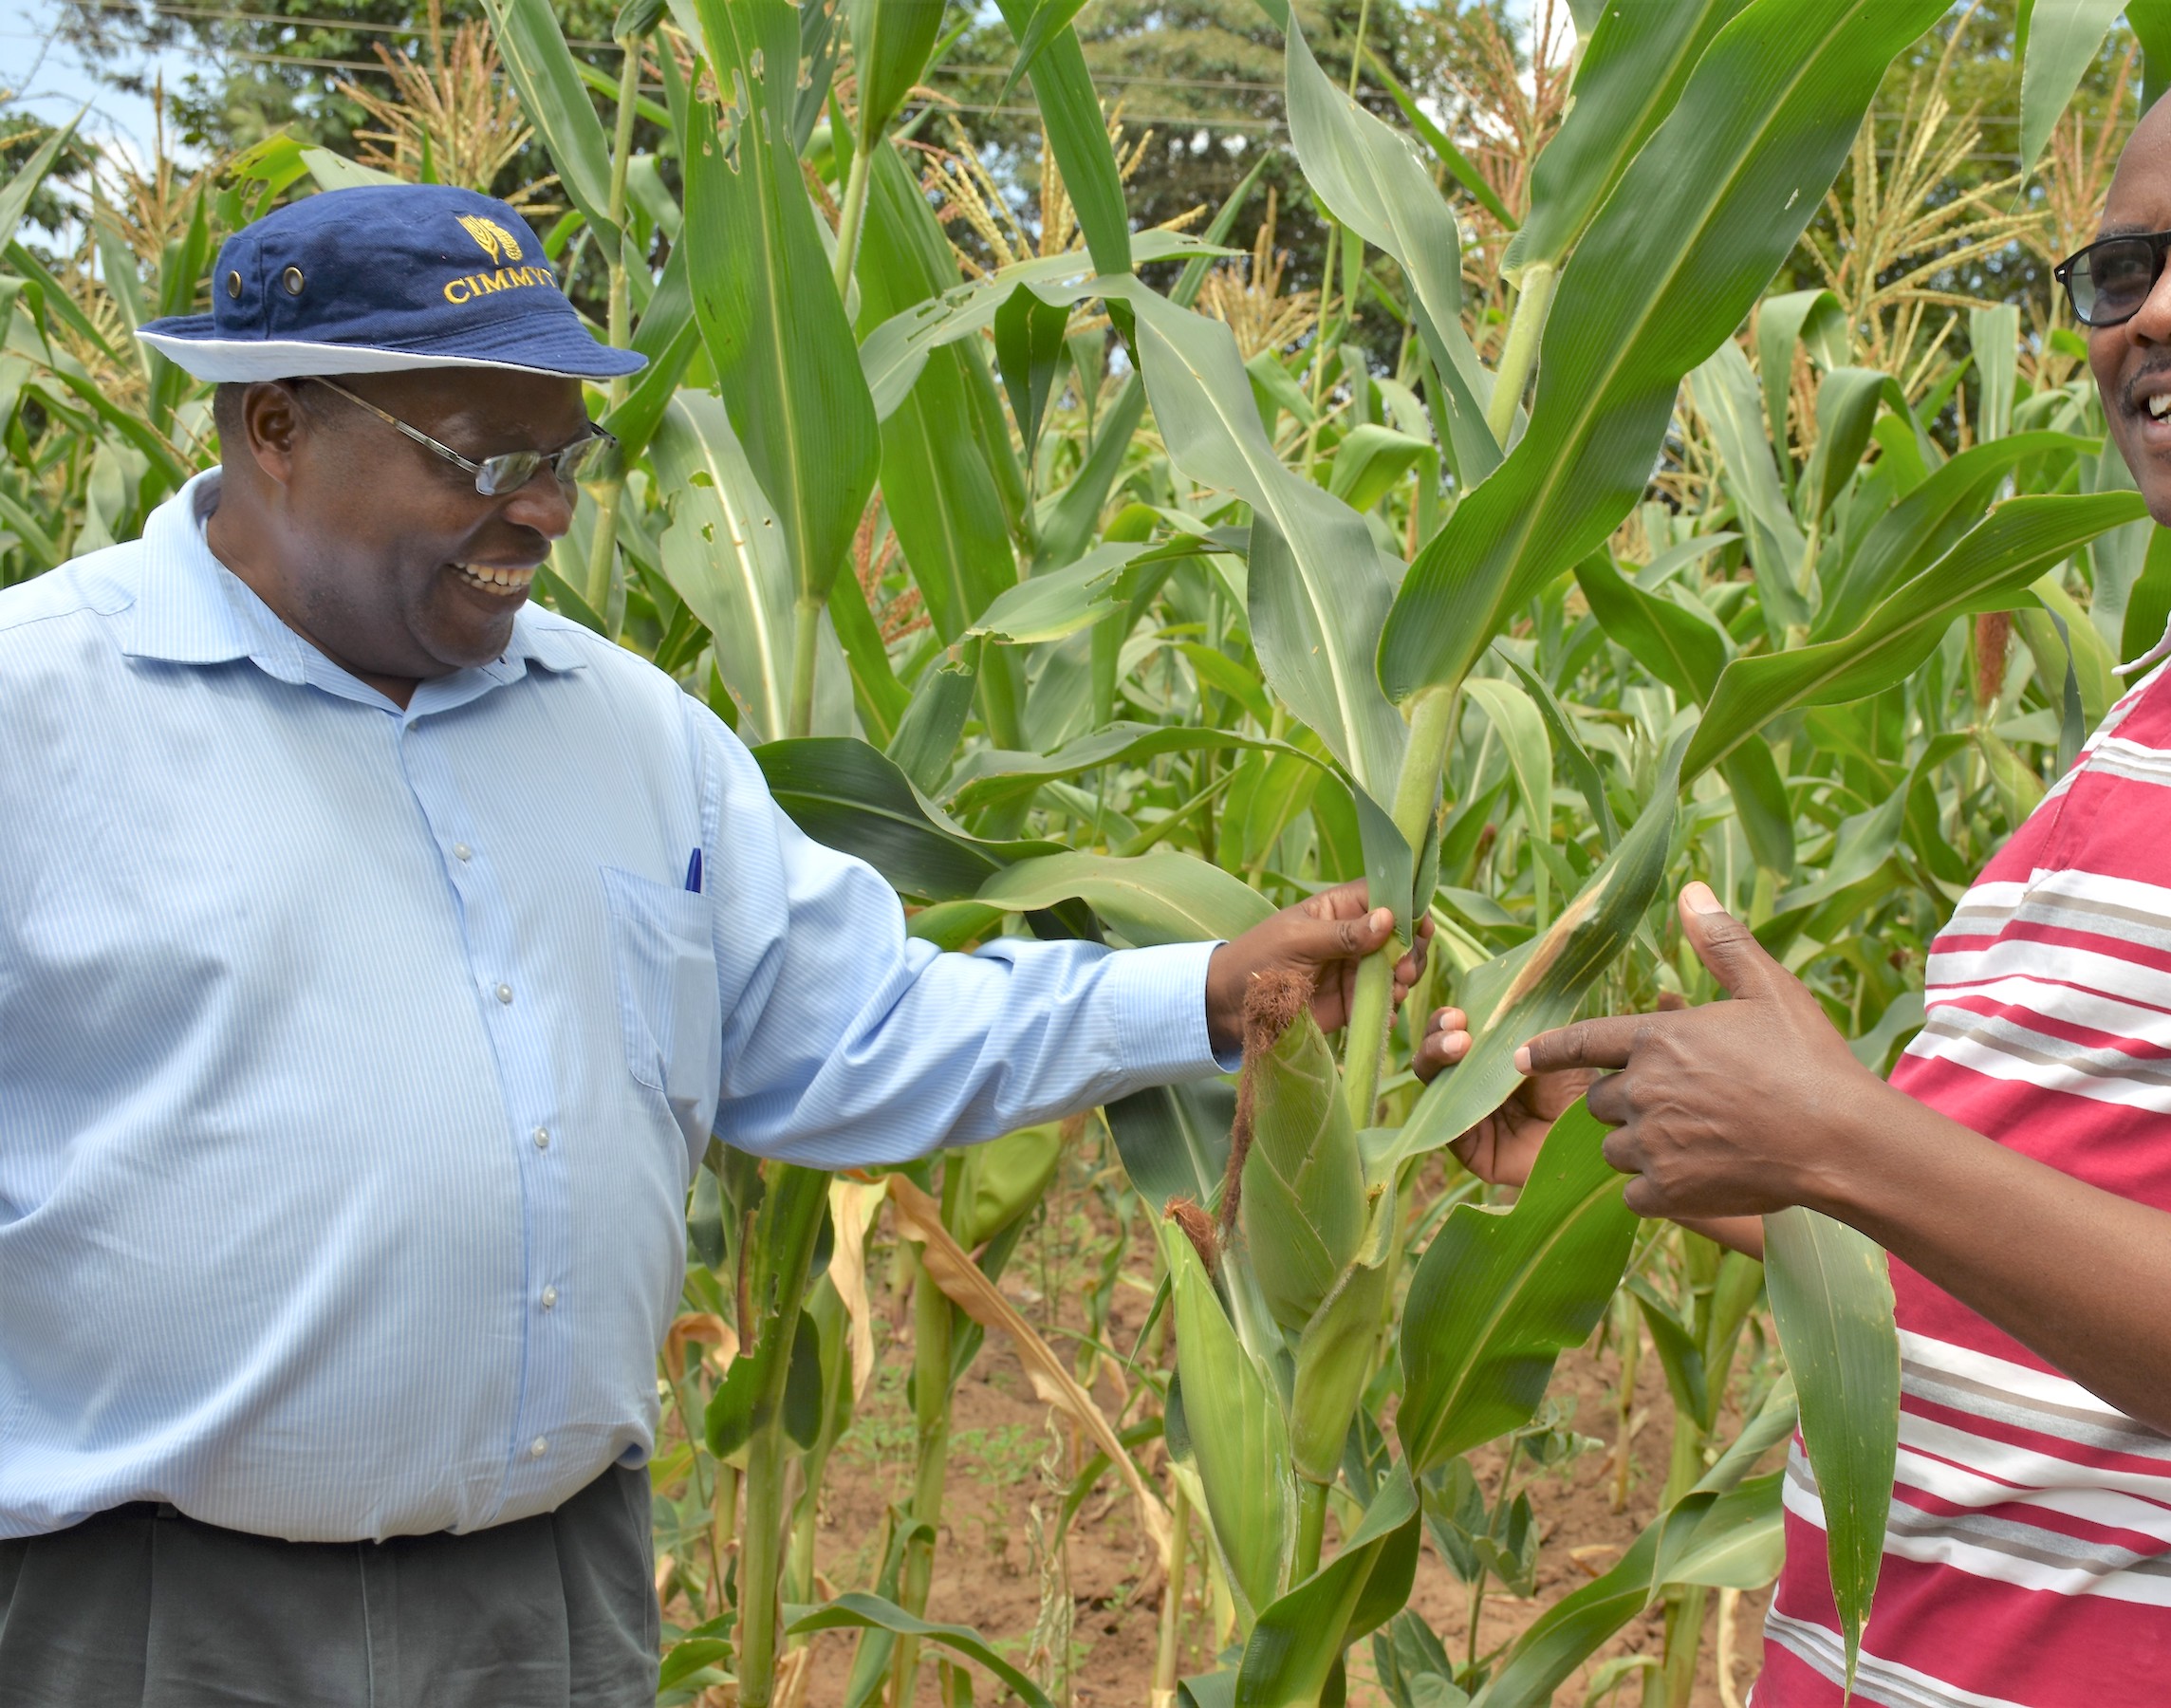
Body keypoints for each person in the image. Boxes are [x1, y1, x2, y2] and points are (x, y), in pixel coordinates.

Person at [0, 182, 1424, 1707]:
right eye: (484, 455)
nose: (541, 508)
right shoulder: (42, 716)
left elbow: (850, 1028)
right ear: (273, 426)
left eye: (562, 457)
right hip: (154, 1622)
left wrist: (1207, 993)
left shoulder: (632, 735)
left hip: (547, 1601)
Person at [1422, 20, 2171, 1706]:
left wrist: (1849, 1136)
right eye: (2119, 271)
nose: (2164, 309)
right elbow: (2036, 1239)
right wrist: (1664, 1128)